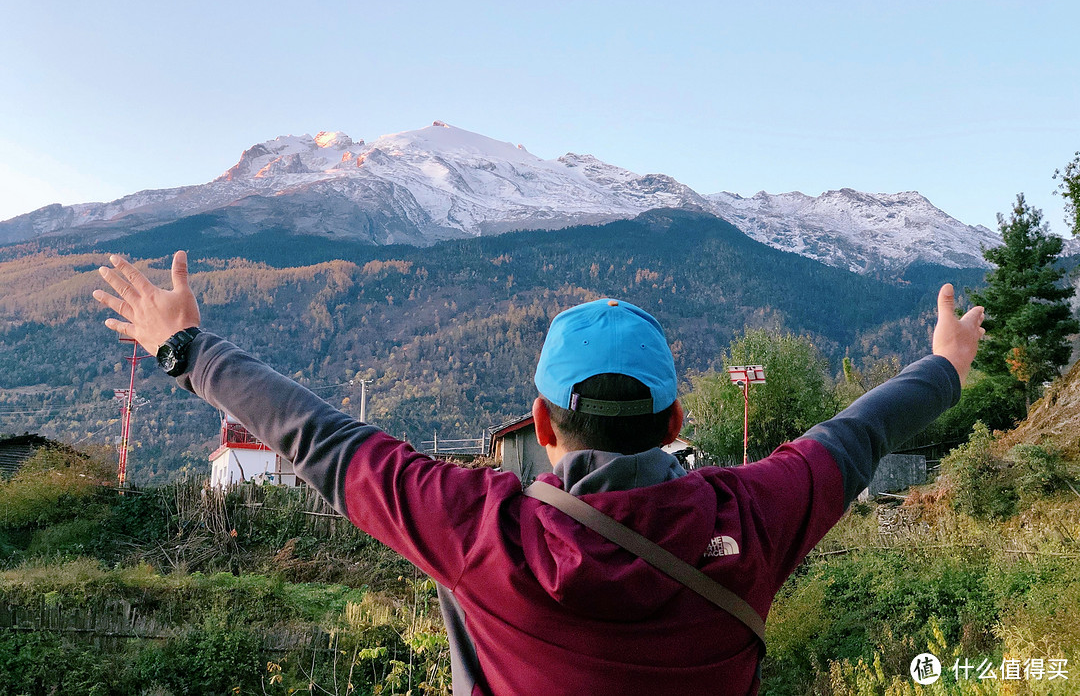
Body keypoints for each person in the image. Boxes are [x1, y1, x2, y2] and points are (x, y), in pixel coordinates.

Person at [92, 250, 983, 696]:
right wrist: (944, 364)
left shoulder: (478, 528)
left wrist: (185, 347)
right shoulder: (751, 518)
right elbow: (858, 436)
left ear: (544, 420)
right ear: (675, 421)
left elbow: (318, 439)